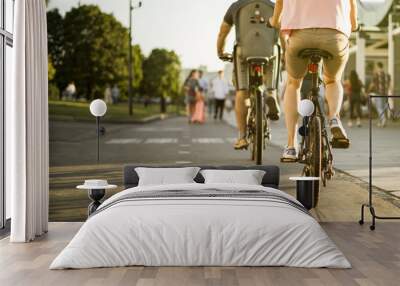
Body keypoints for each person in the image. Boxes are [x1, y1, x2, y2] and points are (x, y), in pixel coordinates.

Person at [269, 0, 358, 161]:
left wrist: (274, 21)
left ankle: (291, 145)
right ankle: (334, 118)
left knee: (293, 83)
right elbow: (352, 6)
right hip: (334, 35)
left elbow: (280, 5)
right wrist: (354, 24)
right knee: (332, 80)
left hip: (300, 36)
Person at [217, 0, 281, 150]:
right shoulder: (274, 6)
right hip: (269, 52)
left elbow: (223, 31)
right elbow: (282, 33)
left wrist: (220, 51)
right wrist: (284, 52)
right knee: (276, 52)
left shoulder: (236, 6)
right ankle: (271, 92)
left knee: (241, 92)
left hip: (244, 53)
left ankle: (242, 137)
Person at [368, 62, 392, 128]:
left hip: (378, 93)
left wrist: (368, 90)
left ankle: (383, 119)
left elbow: (372, 84)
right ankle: (381, 121)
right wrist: (389, 91)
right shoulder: (387, 75)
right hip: (385, 93)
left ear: (378, 67)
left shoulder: (376, 75)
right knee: (383, 106)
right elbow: (390, 84)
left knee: (379, 107)